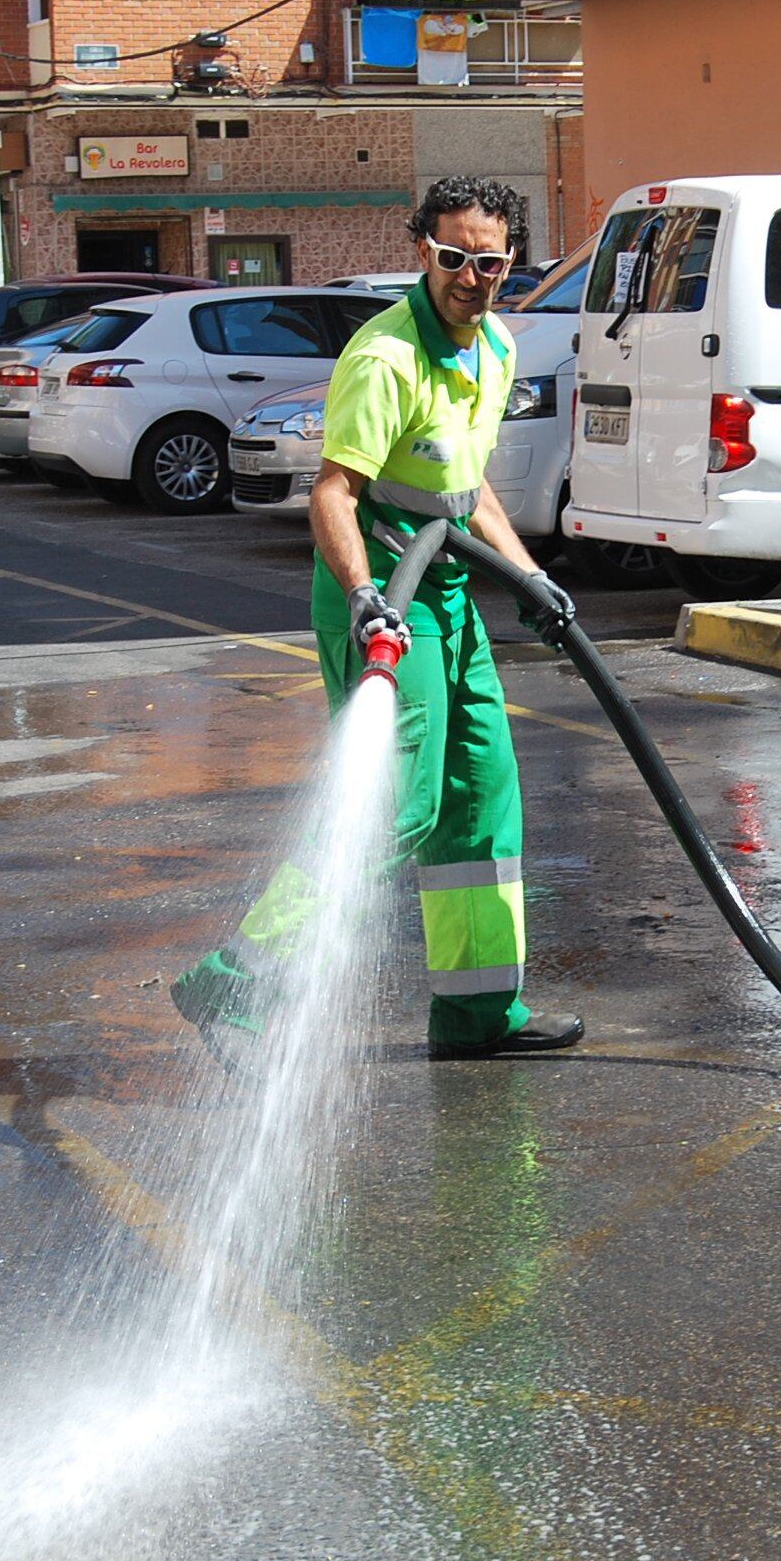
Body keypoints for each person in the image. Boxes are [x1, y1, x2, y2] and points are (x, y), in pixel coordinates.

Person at [174, 177, 586, 1060]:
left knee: (480, 801)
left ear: (511, 263)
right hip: (381, 596)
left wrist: (527, 574)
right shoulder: (385, 357)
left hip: (449, 593)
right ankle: (234, 977)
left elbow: (461, 494)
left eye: (488, 261)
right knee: (398, 804)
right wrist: (365, 597)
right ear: (422, 252)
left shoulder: (497, 349)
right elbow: (334, 491)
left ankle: (478, 1015)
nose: (470, 277)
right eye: (452, 258)